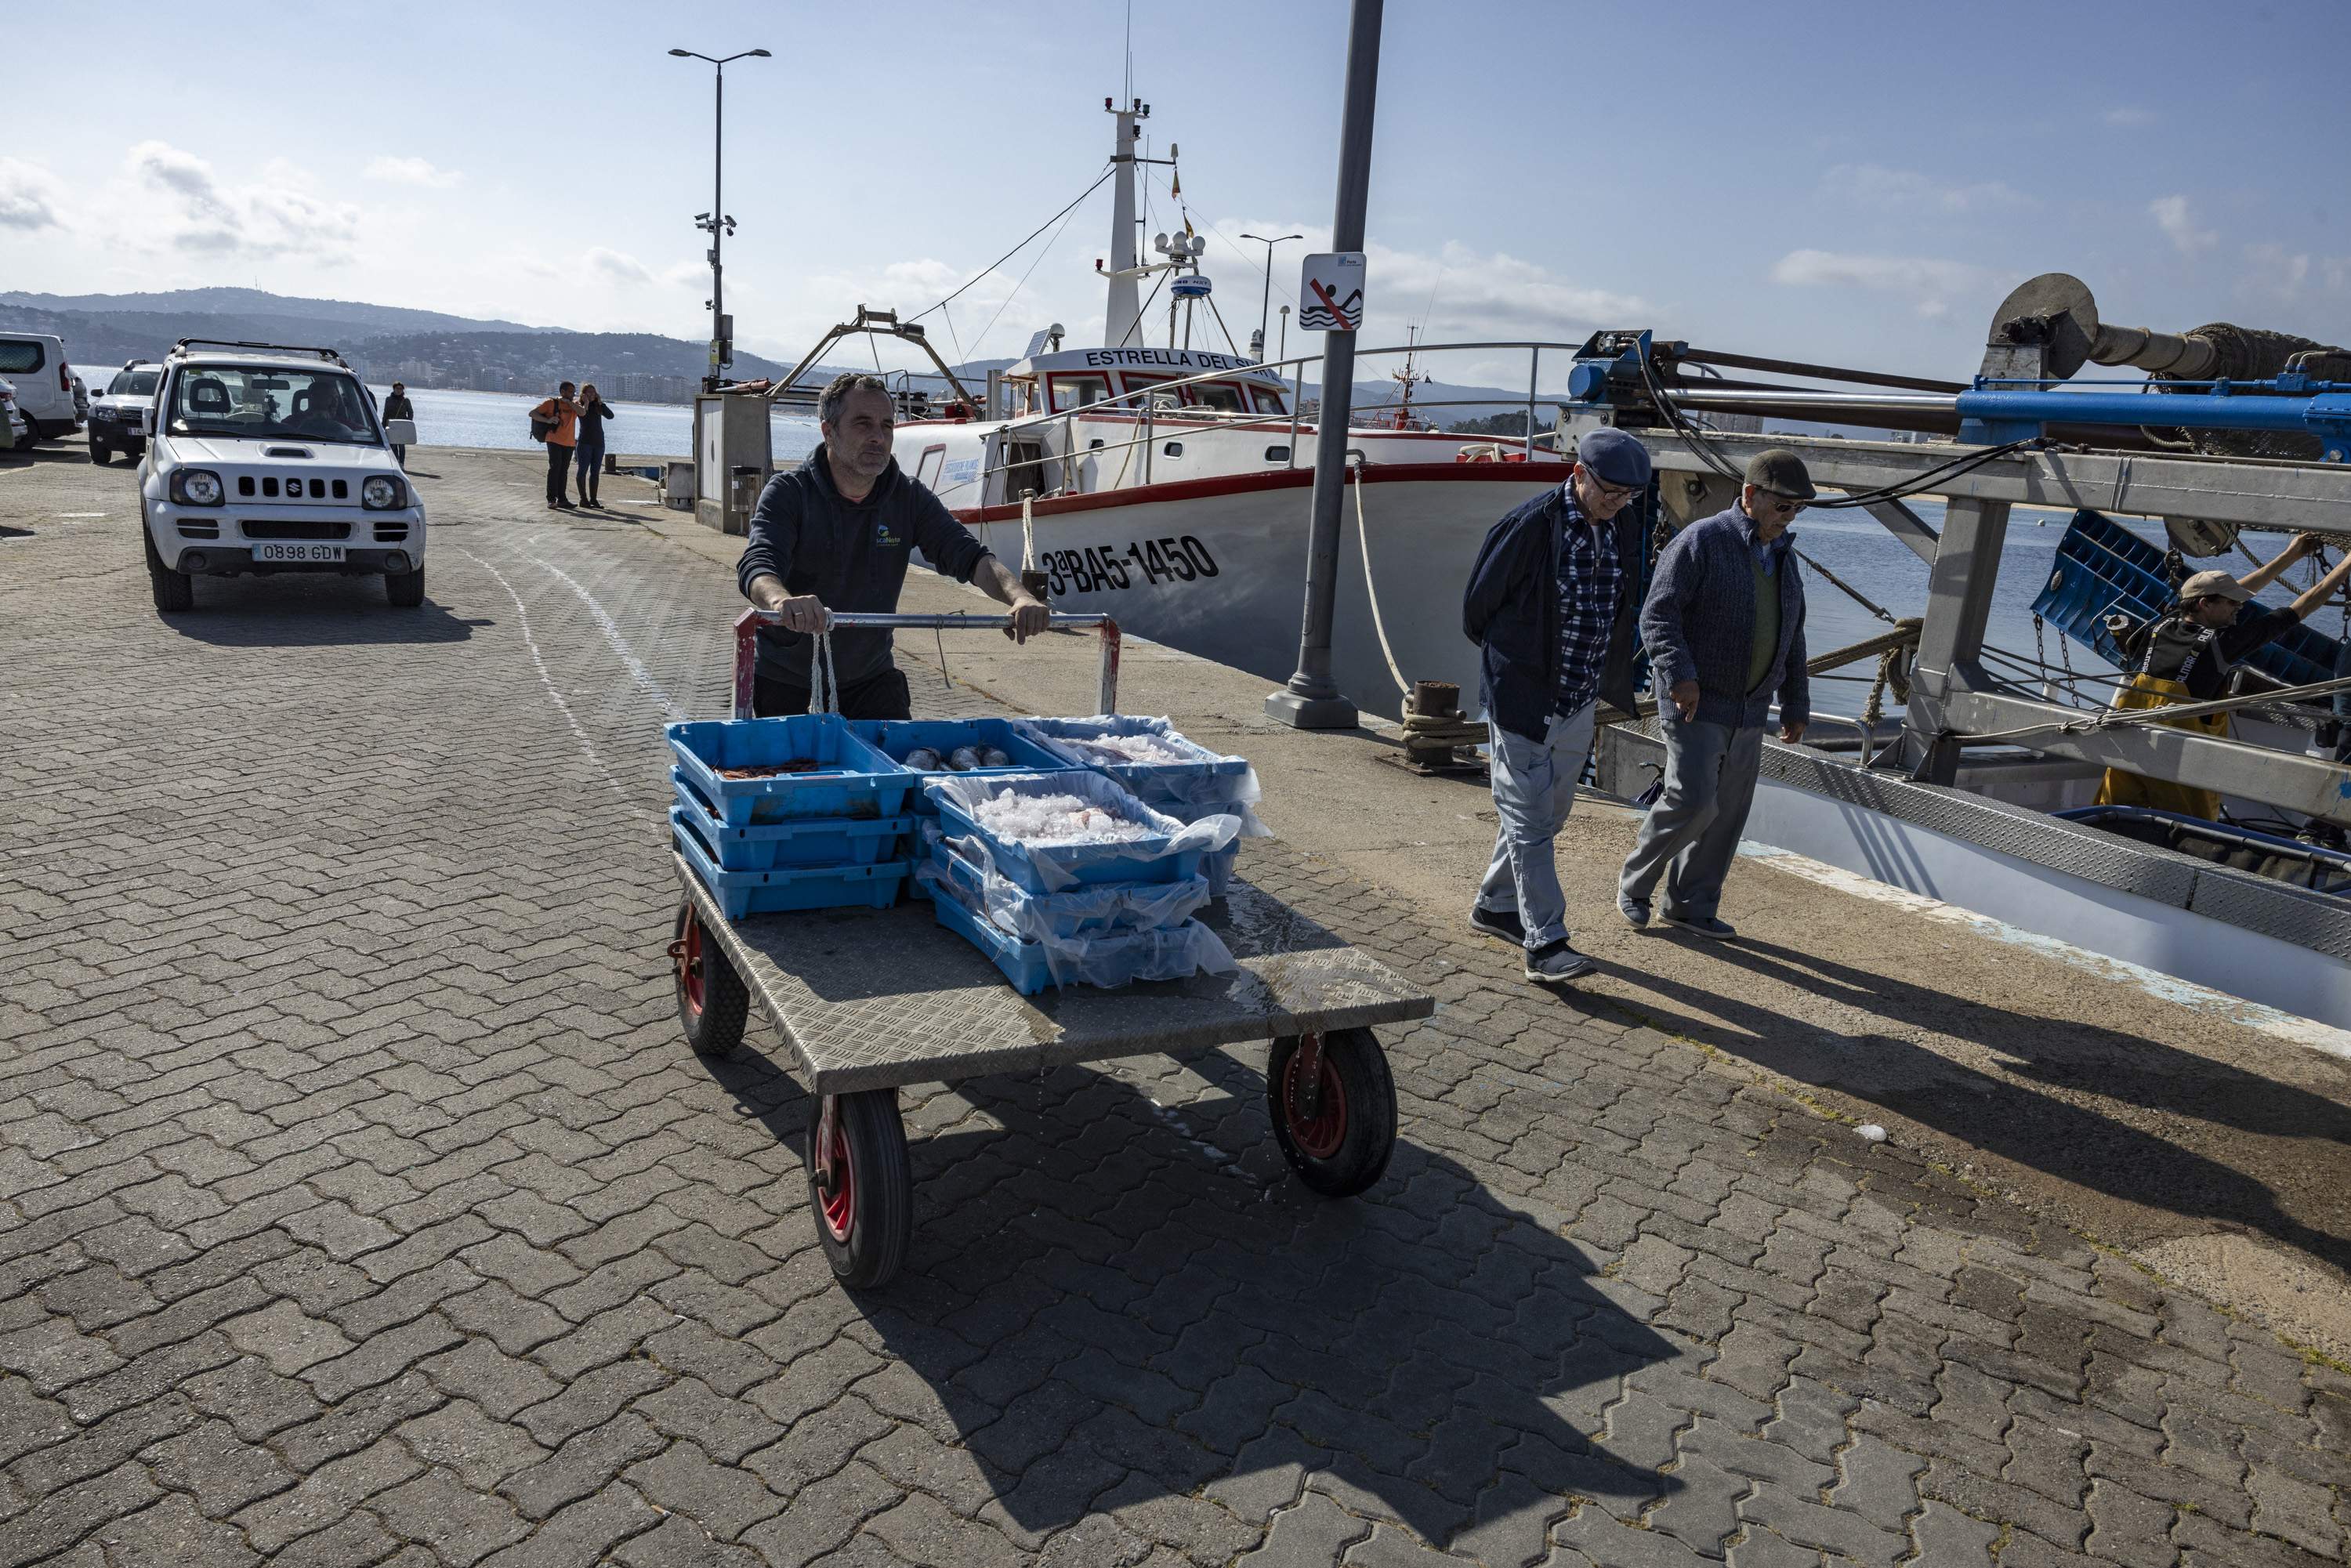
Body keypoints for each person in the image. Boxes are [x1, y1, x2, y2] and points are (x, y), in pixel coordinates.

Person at [737, 372, 1051, 719]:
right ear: (829, 431)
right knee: (795, 771)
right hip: (789, 679)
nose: (878, 437)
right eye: (863, 424)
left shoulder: (908, 497)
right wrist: (782, 600)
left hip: (870, 679)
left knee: (904, 766)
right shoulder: (789, 493)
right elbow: (759, 564)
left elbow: (970, 556)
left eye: (886, 426)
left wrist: (1019, 596)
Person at [1461, 427, 1654, 985]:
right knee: (1528, 821)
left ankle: (1495, 905)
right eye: (1609, 492)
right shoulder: (1528, 528)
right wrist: (1516, 667)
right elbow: (1476, 611)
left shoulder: (1621, 527)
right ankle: (1545, 943)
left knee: (1550, 816)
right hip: (1522, 698)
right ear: (1578, 474)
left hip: (1578, 699)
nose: (1617, 504)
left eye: (1627, 497)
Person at [1617, 449, 1815, 941]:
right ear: (1750, 496)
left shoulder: (1785, 559)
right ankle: (1635, 884)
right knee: (1694, 800)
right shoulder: (1701, 541)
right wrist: (1681, 675)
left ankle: (1690, 905)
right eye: (1783, 506)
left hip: (1751, 710)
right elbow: (1658, 616)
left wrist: (1795, 703)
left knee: (1726, 814)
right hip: (1696, 702)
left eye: (1798, 509)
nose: (1789, 517)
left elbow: (1792, 635)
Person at [2096, 534, 2351, 820]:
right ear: (2205, 604)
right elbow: (2301, 608)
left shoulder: (2164, 624)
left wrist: (2291, 555)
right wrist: (2348, 563)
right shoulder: (2222, 643)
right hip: (2177, 760)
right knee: (2189, 832)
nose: (2239, 609)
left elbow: (2237, 592)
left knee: (2109, 819)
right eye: (2232, 604)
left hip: (2130, 749)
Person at [531, 382, 581, 509]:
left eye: (574, 392)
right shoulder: (551, 403)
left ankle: (562, 499)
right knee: (555, 468)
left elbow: (582, 413)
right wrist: (548, 420)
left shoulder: (574, 404)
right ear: (562, 392)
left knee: (563, 471)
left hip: (569, 442)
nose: (573, 394)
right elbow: (533, 413)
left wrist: (570, 402)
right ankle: (551, 499)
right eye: (570, 391)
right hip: (553, 440)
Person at [574, 383, 614, 507]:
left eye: (593, 392)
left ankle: (593, 499)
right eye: (589, 392)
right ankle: (583, 499)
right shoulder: (578, 405)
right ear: (583, 394)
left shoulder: (598, 406)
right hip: (585, 442)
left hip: (599, 443)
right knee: (582, 471)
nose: (591, 394)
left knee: (595, 472)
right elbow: (583, 415)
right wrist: (586, 403)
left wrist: (600, 402)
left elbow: (610, 416)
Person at [382, 381, 414, 467]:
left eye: (401, 389)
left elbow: (410, 413)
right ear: (394, 389)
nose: (399, 390)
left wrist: (408, 423)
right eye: (397, 388)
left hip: (402, 426)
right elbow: (386, 413)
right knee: (393, 445)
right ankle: (395, 462)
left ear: (403, 390)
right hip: (391, 425)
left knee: (401, 446)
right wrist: (383, 426)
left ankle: (401, 463)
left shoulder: (406, 401)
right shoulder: (388, 399)